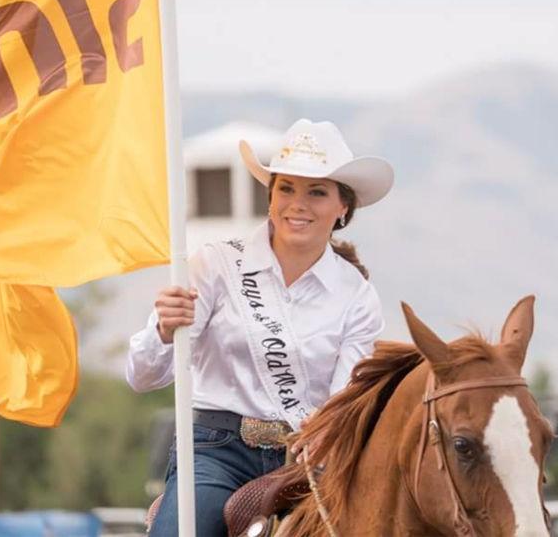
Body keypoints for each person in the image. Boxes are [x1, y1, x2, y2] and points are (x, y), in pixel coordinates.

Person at [126, 118, 394, 537]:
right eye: (285, 188)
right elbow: (143, 376)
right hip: (217, 451)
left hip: (308, 459)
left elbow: (346, 398)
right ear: (270, 198)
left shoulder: (357, 295)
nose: (297, 204)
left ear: (343, 207)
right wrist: (163, 329)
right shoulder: (213, 265)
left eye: (317, 192)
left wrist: (324, 445)